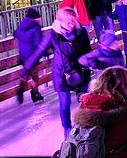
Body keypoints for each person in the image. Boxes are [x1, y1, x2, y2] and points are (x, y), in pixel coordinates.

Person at [24, 8, 91, 138]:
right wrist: (25, 70)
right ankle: (67, 129)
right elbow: (38, 52)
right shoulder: (53, 35)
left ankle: (86, 126)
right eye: (68, 22)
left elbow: (87, 51)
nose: (72, 25)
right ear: (60, 21)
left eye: (73, 21)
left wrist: (91, 63)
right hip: (61, 73)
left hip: (80, 70)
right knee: (65, 103)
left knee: (85, 101)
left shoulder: (81, 32)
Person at [13, 7, 45, 104]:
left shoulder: (21, 26)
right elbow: (38, 43)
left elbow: (15, 33)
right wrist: (45, 52)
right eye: (39, 17)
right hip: (33, 55)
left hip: (23, 55)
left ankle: (21, 89)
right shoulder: (36, 27)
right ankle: (35, 93)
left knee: (27, 73)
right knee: (34, 76)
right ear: (35, 18)